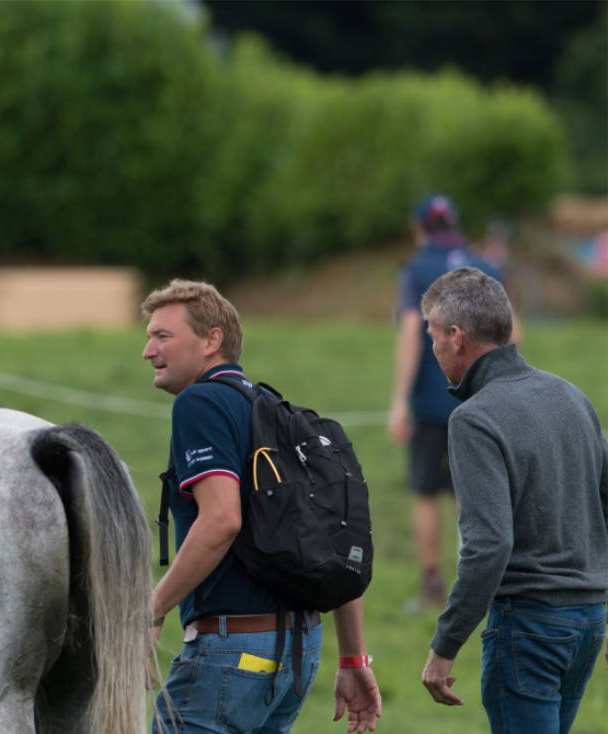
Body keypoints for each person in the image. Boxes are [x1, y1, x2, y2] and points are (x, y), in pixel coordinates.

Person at [142, 279, 381, 734]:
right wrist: (352, 657)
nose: (147, 351)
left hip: (231, 654)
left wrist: (151, 611)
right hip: (298, 655)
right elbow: (337, 535)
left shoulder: (200, 402)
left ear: (211, 340)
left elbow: (221, 520)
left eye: (162, 336)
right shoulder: (274, 408)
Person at [418, 267, 607, 733]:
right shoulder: (572, 397)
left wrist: (444, 646)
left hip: (530, 626)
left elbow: (489, 545)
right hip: (588, 619)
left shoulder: (474, 419)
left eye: (433, 335)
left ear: (456, 337)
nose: (433, 347)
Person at [387, 193, 512, 612]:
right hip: (483, 397)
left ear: (419, 228)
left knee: (425, 493)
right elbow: (512, 335)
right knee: (472, 492)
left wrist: (399, 400)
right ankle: (476, 588)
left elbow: (411, 332)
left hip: (430, 399)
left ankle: (431, 586)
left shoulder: (416, 269)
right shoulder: (487, 266)